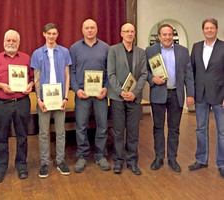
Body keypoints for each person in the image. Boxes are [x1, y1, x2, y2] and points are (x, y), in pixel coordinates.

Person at [0, 30, 34, 183]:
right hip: (1, 104)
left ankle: (21, 164)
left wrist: (30, 85)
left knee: (23, 136)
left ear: (18, 42)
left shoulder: (26, 58)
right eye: (8, 40)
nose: (11, 43)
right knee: (2, 137)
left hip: (22, 102)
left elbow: (32, 78)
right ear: (4, 42)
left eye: (14, 41)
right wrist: (1, 85)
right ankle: (1, 167)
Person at [146, 23, 194, 172]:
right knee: (158, 128)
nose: (167, 37)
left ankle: (172, 159)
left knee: (174, 129)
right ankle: (159, 157)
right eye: (164, 34)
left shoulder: (183, 51)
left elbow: (188, 74)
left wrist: (190, 94)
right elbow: (145, 71)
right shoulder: (150, 51)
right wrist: (152, 79)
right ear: (159, 36)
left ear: (172, 36)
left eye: (169, 34)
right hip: (158, 93)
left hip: (176, 94)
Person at [70, 19, 111, 173]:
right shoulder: (74, 48)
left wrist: (106, 88)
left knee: (102, 126)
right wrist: (75, 89)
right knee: (81, 126)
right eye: (86, 28)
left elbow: (109, 71)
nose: (89, 30)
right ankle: (82, 155)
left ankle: (100, 155)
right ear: (82, 30)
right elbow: (72, 71)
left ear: (97, 29)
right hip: (82, 94)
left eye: (92, 27)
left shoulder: (105, 48)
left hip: (100, 94)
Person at [31, 23, 72, 178]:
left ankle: (61, 161)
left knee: (60, 132)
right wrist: (39, 99)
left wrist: (66, 97)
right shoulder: (37, 53)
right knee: (43, 132)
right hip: (44, 99)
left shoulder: (64, 52)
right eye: (49, 33)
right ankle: (44, 163)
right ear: (44, 34)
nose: (51, 36)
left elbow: (67, 75)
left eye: (54, 33)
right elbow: (36, 77)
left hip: (60, 98)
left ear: (57, 34)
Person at [107, 23, 148, 175]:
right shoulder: (113, 50)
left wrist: (135, 93)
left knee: (133, 132)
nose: (130, 34)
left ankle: (132, 162)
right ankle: (118, 161)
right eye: (126, 31)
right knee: (118, 131)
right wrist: (121, 92)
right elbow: (110, 74)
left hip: (134, 99)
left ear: (134, 33)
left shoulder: (141, 52)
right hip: (118, 98)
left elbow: (144, 74)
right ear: (121, 33)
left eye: (132, 31)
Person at [188, 18, 224, 178]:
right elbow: (191, 72)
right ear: (203, 30)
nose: (209, 30)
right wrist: (190, 93)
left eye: (212, 28)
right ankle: (201, 159)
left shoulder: (223, 47)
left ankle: (222, 163)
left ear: (216, 30)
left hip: (219, 95)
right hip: (200, 95)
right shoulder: (196, 47)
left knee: (222, 131)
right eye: (206, 28)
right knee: (200, 128)